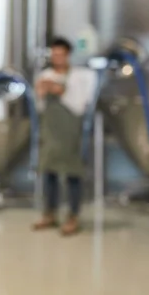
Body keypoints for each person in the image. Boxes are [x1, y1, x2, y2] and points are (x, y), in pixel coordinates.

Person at [32, 37, 96, 236]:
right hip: (50, 131)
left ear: (68, 55)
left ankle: (73, 216)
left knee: (72, 173)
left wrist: (61, 90)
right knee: (49, 171)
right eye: (54, 54)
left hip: (71, 131)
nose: (57, 58)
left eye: (61, 54)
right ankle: (49, 214)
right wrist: (42, 92)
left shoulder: (82, 76)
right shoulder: (45, 75)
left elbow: (82, 104)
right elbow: (39, 107)